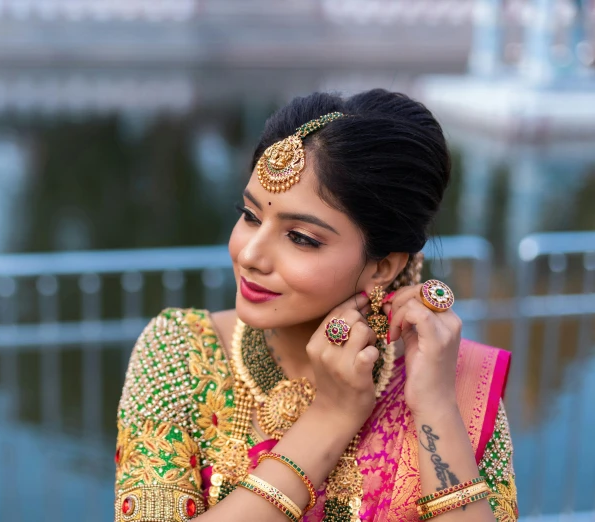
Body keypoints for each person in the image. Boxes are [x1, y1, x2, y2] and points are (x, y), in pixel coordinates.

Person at [113, 90, 517, 522]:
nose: (250, 255)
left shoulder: (451, 382)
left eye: (301, 238)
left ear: (382, 267)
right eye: (250, 215)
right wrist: (331, 417)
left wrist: (435, 406)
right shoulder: (180, 353)